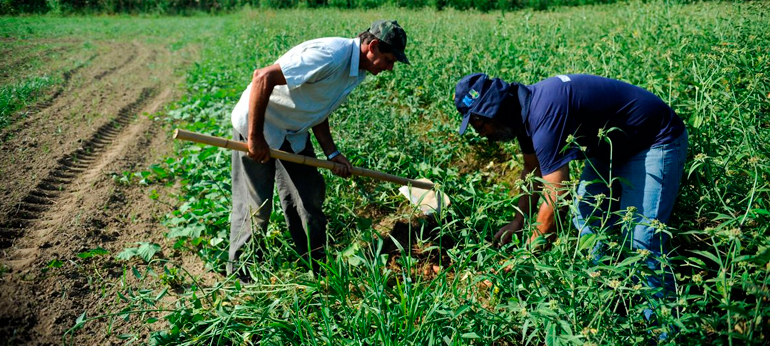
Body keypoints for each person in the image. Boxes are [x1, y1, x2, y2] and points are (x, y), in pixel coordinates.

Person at [454, 73, 688, 297]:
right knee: (587, 218)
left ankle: (661, 326)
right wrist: (519, 220)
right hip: (610, 147)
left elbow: (557, 195)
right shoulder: (521, 113)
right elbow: (532, 171)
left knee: (642, 241)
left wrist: (525, 256)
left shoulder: (544, 114)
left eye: (478, 125)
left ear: (490, 113)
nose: (480, 133)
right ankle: (605, 294)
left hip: (654, 140)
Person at [229, 20, 409, 277]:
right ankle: (241, 275)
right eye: (390, 60)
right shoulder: (331, 56)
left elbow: (318, 108)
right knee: (256, 207)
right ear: (374, 46)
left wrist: (333, 153)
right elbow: (262, 77)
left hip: (293, 133)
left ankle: (316, 267)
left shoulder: (356, 71)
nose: (390, 68)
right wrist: (254, 137)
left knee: (309, 197)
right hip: (258, 126)